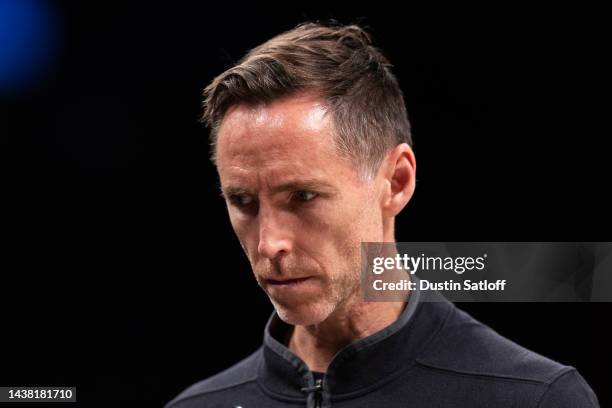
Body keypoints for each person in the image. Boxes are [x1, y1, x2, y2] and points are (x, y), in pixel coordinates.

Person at [165, 22, 599, 407]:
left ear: (396, 182)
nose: (269, 243)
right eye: (243, 202)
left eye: (302, 196)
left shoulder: (532, 397)